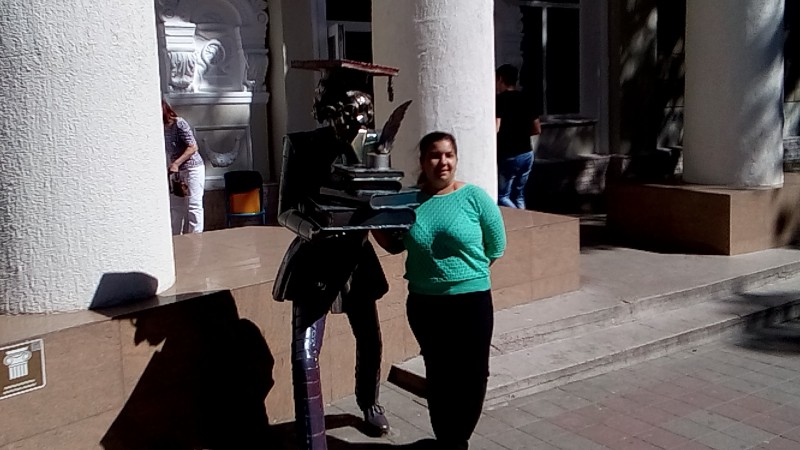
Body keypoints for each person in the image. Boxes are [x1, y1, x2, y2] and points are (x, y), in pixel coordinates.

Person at [374, 131, 507, 450]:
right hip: (426, 305)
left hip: (472, 303)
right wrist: (371, 218)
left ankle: (457, 440)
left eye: (448, 155)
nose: (442, 162)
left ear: (456, 159)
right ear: (423, 161)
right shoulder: (409, 201)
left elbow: (497, 245)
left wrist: (465, 277)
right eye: (435, 155)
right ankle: (447, 439)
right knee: (440, 374)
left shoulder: (474, 197)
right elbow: (393, 244)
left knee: (473, 374)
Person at [495, 64, 541, 209]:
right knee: (519, 194)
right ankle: (524, 220)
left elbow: (496, 128)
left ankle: (518, 218)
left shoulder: (499, 100)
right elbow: (537, 129)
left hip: (509, 155)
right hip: (527, 153)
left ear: (500, 79)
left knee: (502, 196)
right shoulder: (527, 98)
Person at [163, 99, 205, 234]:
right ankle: (176, 236)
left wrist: (176, 163)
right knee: (176, 207)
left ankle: (196, 236)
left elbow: (193, 147)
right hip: (176, 173)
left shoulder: (179, 123)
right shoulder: (161, 129)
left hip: (192, 168)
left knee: (194, 205)